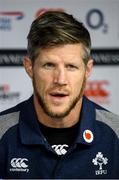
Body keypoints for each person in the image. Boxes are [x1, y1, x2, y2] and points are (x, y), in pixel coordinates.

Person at [0, 11, 119, 179]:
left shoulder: (116, 134)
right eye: (49, 65)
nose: (60, 80)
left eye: (71, 66)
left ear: (88, 70)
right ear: (29, 67)